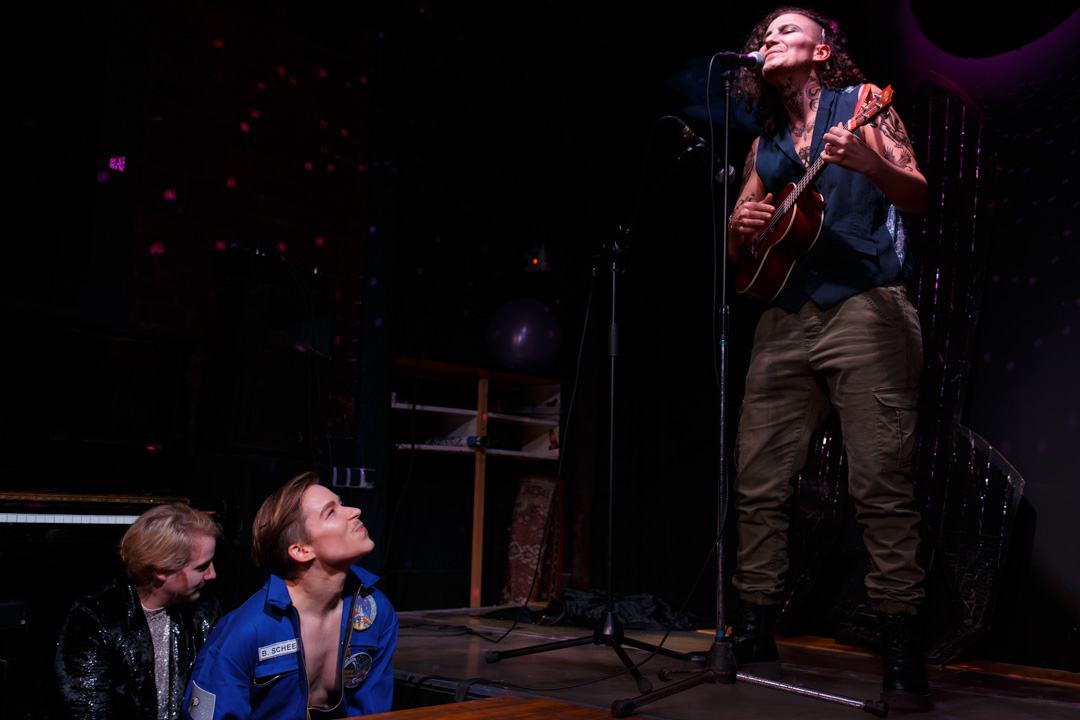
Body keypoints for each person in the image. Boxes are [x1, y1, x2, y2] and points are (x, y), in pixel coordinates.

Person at [724, 7, 931, 712]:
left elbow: (916, 192)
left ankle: (900, 644)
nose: (770, 39)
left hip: (866, 309)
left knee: (879, 485)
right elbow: (740, 251)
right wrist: (741, 225)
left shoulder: (865, 105)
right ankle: (754, 629)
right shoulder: (765, 145)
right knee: (758, 484)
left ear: (821, 52)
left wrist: (869, 162)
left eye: (787, 31)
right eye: (765, 34)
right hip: (783, 320)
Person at [183, 472, 397, 719]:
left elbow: (372, 711)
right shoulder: (246, 631)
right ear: (301, 550)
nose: (355, 511)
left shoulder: (375, 610)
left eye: (341, 504)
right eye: (331, 512)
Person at [55, 504, 222, 720]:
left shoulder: (204, 607)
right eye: (201, 567)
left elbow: (217, 688)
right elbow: (88, 710)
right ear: (162, 570)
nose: (212, 574)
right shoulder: (94, 619)